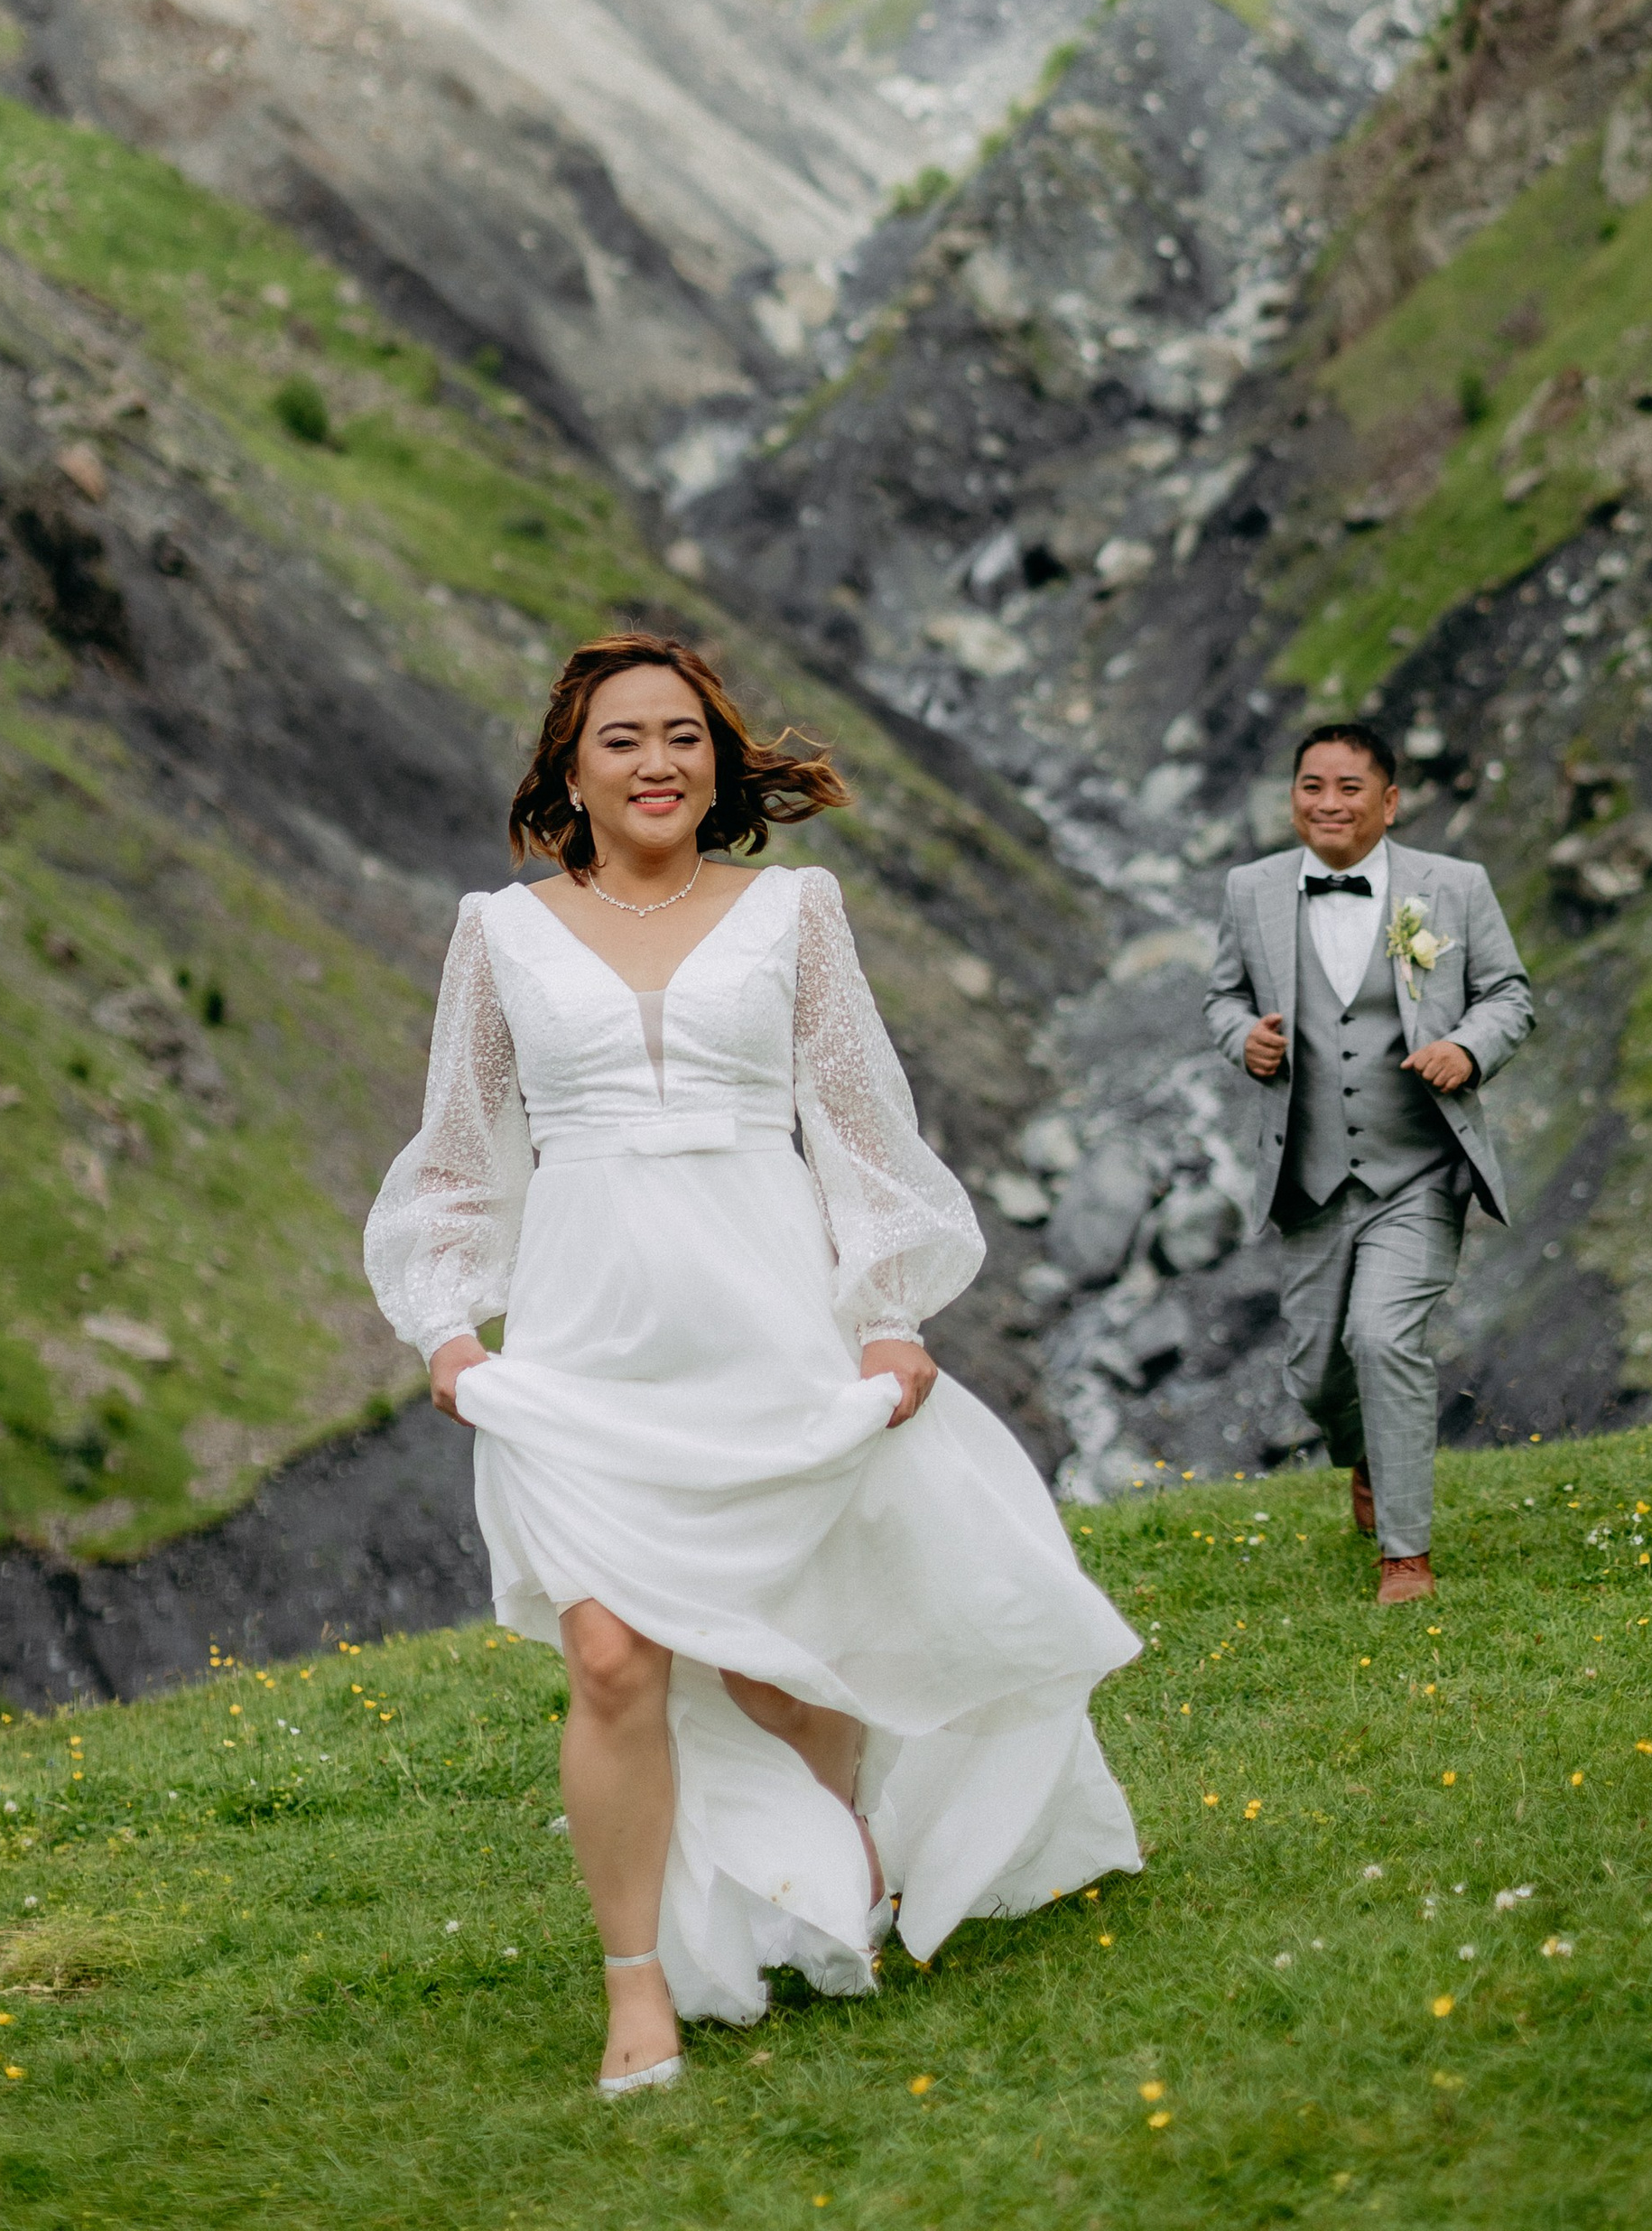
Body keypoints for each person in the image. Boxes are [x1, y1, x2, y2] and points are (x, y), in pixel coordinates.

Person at [364, 634, 1138, 2095]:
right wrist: (447, 1324)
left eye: (684, 736)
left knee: (784, 1662)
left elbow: (859, 1123)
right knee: (611, 1658)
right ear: (569, 773)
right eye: (622, 739)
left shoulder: (795, 911)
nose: (657, 762)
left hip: (768, 1316)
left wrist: (891, 1310)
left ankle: (838, 1844)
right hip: (590, 1341)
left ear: (718, 764)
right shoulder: (500, 933)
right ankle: (636, 1989)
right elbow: (455, 1152)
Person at [1202, 718, 1532, 1606]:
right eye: (1312, 786)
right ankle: (1363, 1453)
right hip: (1308, 1179)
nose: (1328, 803)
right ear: (1292, 798)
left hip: (1417, 1171)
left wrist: (1467, 1047)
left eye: (1349, 788)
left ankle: (1405, 1558)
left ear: (1389, 803)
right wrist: (1243, 1038)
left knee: (1382, 1339)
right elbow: (1222, 996)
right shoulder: (1249, 890)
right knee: (1316, 1373)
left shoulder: (1453, 887)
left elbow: (1509, 994)